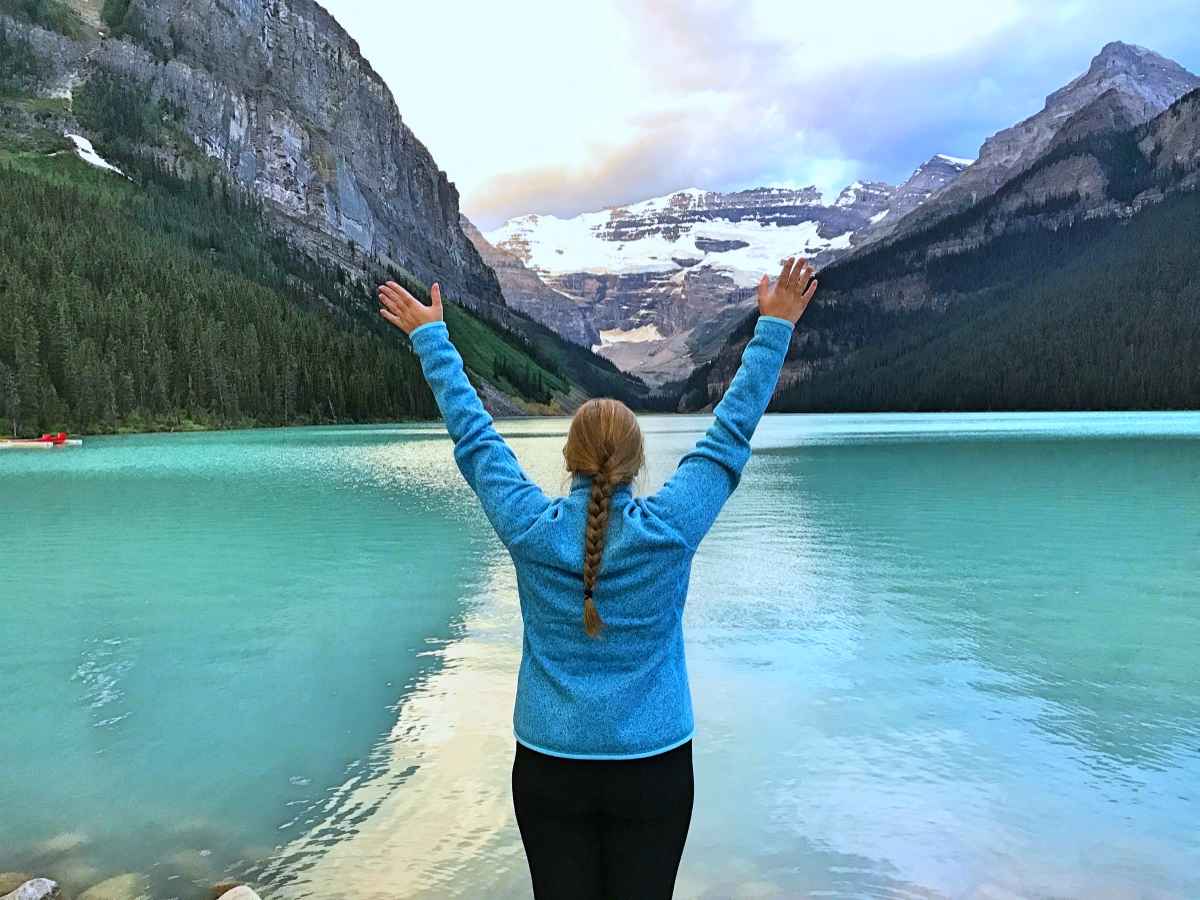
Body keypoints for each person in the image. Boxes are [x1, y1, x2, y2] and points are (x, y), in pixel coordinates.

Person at [378, 257, 818, 899]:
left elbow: (477, 442)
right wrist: (775, 325)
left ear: (568, 459)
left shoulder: (531, 528)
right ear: (639, 462)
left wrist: (431, 338)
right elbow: (729, 437)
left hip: (550, 765)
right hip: (654, 767)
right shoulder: (668, 531)